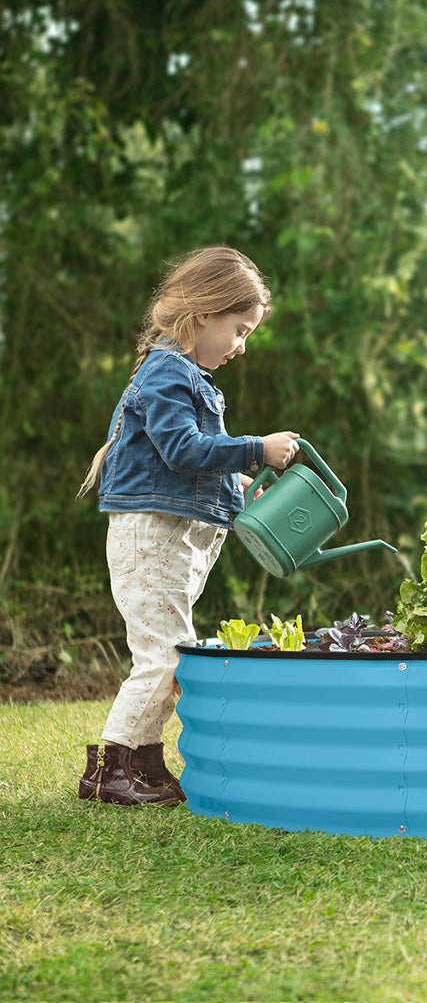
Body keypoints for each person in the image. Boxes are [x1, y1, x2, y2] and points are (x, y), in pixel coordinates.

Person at [76, 246, 301, 805]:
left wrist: (235, 485)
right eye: (239, 329)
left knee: (171, 651)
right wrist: (255, 449)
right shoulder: (166, 374)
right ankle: (110, 770)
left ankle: (145, 765)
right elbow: (182, 449)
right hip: (153, 537)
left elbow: (186, 462)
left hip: (174, 539)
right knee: (164, 656)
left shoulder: (185, 376)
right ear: (203, 313)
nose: (242, 346)